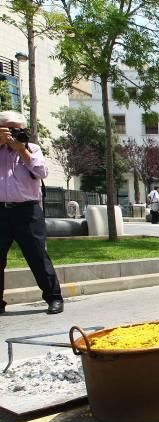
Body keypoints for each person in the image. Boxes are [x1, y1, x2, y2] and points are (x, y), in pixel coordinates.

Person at [0, 111, 64, 315]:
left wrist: (22, 151)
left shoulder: (32, 149)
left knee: (37, 256)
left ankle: (54, 298)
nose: (16, 132)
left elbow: (41, 172)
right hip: (1, 211)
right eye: (11, 128)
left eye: (20, 128)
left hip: (27, 211)